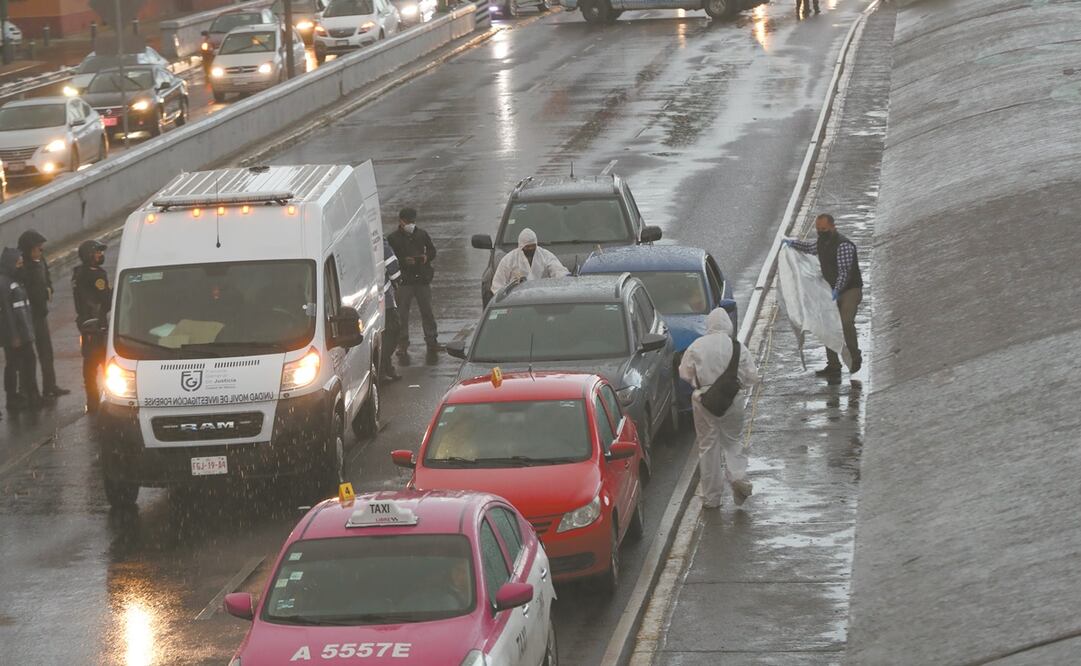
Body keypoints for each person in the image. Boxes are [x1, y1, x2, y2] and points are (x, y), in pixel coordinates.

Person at [679, 308, 761, 508]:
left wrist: (701, 382)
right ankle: (738, 477)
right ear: (728, 325)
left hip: (704, 401)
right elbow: (752, 376)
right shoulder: (738, 347)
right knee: (733, 441)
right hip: (732, 400)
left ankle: (712, 497)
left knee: (708, 446)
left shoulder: (696, 346)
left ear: (709, 324)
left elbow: (684, 373)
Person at [782, 213, 863, 377]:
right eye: (818, 229)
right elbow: (809, 248)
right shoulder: (821, 242)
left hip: (849, 290)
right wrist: (792, 243)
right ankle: (833, 365)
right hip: (831, 289)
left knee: (846, 322)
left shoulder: (844, 245)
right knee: (827, 325)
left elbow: (845, 272)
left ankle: (855, 357)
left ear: (833, 226)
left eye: (824, 229)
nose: (820, 232)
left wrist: (837, 289)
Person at [18, 230, 69, 399]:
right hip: (27, 316)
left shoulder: (40, 261)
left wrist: (49, 289)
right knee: (28, 357)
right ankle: (30, 392)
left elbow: (46, 278)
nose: (41, 251)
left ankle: (50, 386)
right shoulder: (22, 267)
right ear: (28, 249)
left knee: (46, 352)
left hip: (40, 313)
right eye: (37, 248)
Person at [386, 208, 439, 359]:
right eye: (408, 221)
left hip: (422, 280)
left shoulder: (422, 234)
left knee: (427, 311)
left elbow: (432, 251)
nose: (411, 224)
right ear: (401, 221)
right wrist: (403, 261)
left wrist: (425, 258)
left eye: (413, 221)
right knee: (402, 314)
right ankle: (402, 344)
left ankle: (432, 340)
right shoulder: (393, 238)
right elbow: (390, 258)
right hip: (404, 282)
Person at [72, 240, 112, 414]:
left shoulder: (78, 273)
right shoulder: (97, 275)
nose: (100, 255)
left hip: (85, 324)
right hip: (97, 325)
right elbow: (106, 300)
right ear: (88, 255)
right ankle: (111, 400)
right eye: (97, 252)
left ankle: (92, 401)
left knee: (89, 365)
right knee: (106, 363)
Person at [0, 248, 41, 410]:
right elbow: (7, 312)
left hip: (23, 331)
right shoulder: (4, 283)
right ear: (10, 264)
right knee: (13, 364)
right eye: (19, 263)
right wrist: (14, 336)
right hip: (13, 334)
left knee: (28, 361)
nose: (21, 266)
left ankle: (30, 394)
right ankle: (12, 398)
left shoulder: (16, 280)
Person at [490, 228, 570, 294]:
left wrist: (564, 279)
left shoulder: (545, 255)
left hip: (542, 295)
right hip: (516, 299)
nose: (530, 249)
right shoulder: (508, 260)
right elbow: (497, 285)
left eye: (533, 246)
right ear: (521, 246)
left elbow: (558, 270)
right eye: (527, 247)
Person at [380, 239, 402, 382]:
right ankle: (383, 366)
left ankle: (387, 368)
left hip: (369, 300)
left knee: (383, 336)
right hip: (385, 300)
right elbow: (393, 270)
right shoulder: (380, 244)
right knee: (392, 332)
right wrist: (398, 280)